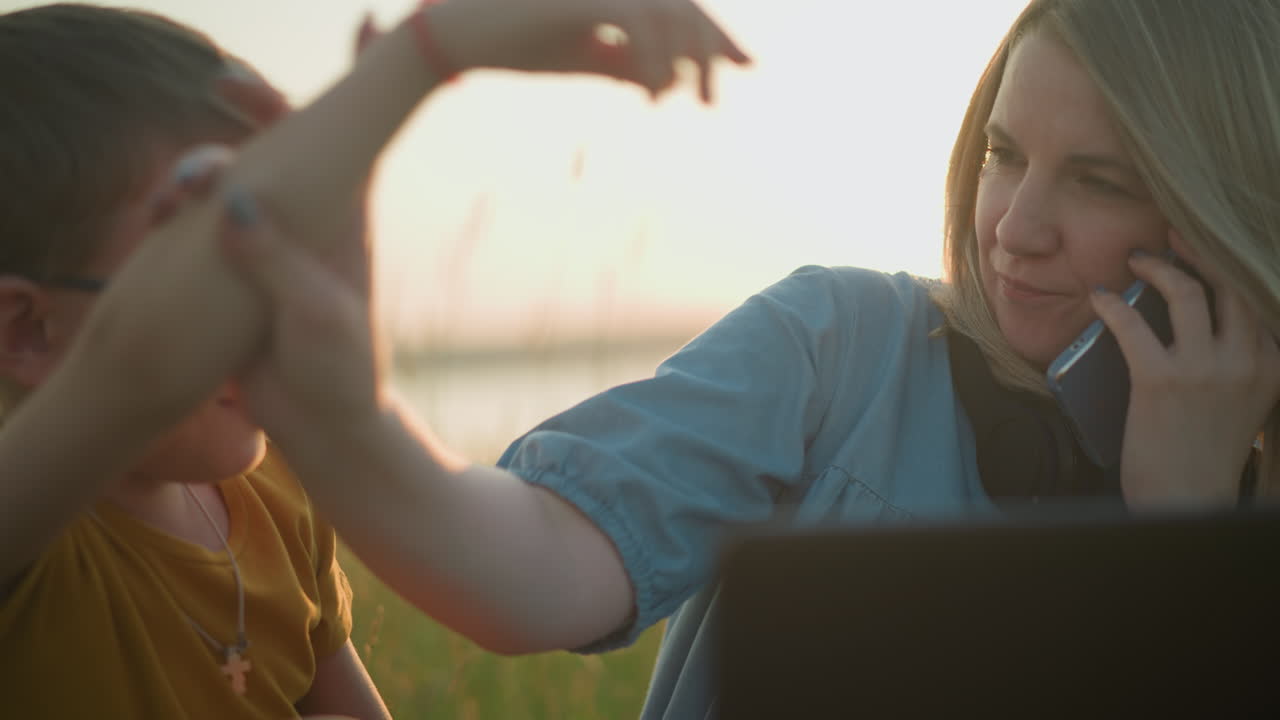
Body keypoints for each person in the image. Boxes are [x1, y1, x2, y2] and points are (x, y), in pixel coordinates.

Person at [196, 1, 1280, 718]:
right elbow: (520, 575)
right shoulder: (840, 351)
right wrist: (338, 405)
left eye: (1097, 179)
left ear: (1219, 210)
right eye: (1001, 154)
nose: (1013, 226)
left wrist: (1186, 534)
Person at [0, 0, 746, 717]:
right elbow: (126, 372)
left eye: (284, 243)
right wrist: (423, 53)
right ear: (27, 331)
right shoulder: (27, 539)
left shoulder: (277, 488)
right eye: (224, 267)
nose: (275, 302)